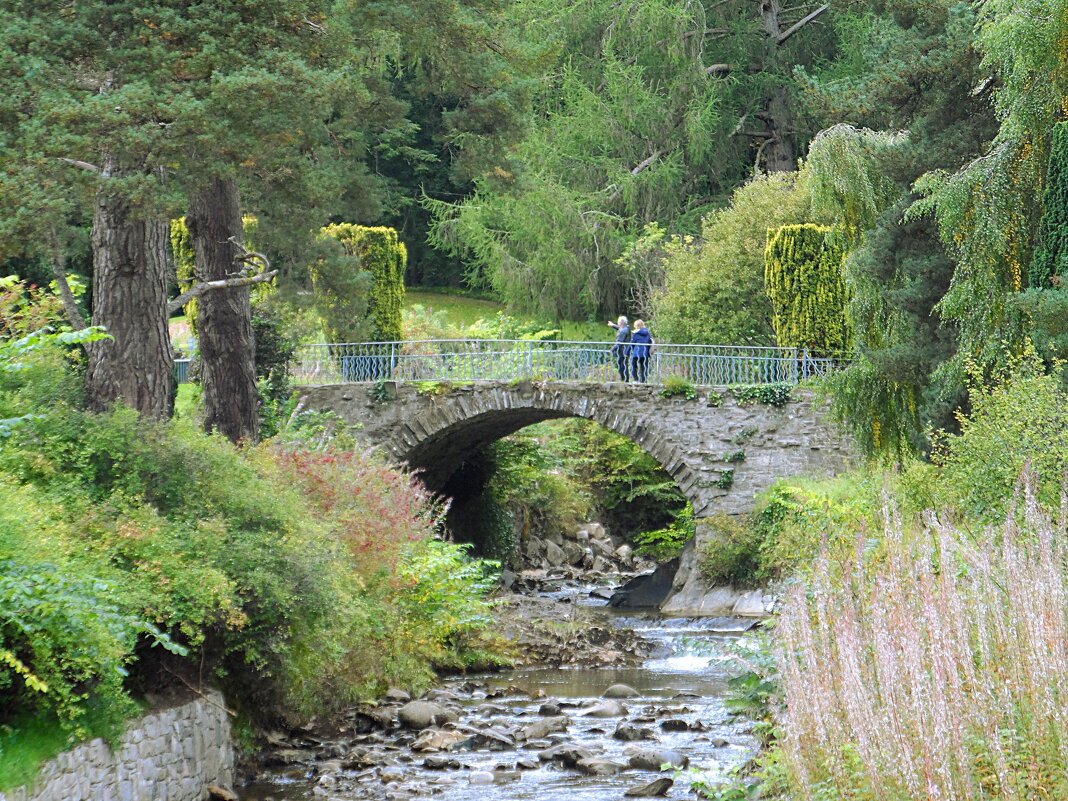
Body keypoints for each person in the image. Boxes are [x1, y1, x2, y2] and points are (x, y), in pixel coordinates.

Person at [607, 315, 631, 381]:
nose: (617, 323)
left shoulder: (623, 331)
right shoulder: (626, 328)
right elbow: (620, 328)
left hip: (622, 350)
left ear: (622, 323)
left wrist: (612, 349)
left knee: (621, 366)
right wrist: (613, 325)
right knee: (623, 365)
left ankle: (625, 380)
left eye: (618, 322)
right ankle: (624, 379)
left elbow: (619, 342)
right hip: (625, 350)